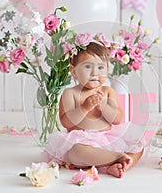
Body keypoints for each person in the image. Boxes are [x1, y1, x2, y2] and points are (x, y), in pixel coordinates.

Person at [45, 41, 144, 178]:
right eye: (87, 66)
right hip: (82, 141)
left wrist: (104, 106)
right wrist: (84, 108)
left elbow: (117, 119)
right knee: (75, 153)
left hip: (107, 139)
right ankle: (116, 158)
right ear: (73, 71)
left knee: (138, 146)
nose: (94, 73)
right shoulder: (70, 93)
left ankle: (122, 165)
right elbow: (66, 123)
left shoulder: (107, 91)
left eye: (100, 67)